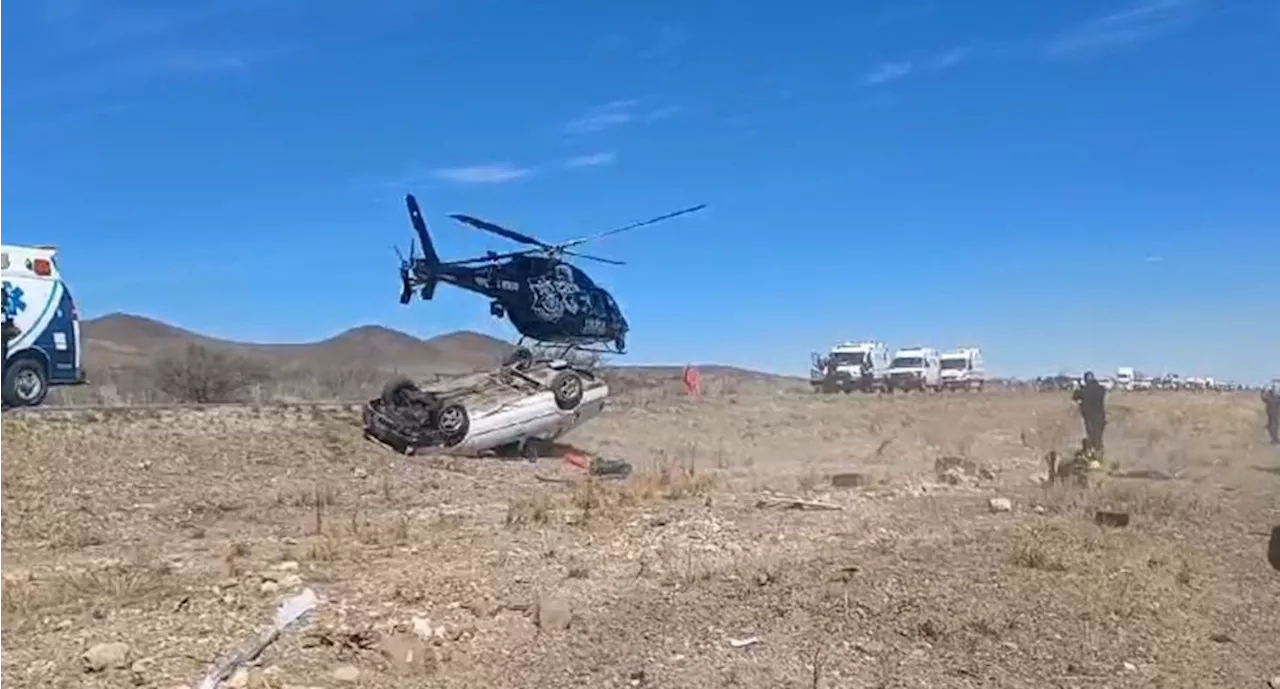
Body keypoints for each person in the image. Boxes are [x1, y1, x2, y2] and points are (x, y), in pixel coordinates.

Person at [1071, 371, 1108, 452]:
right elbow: (1098, 391)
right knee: (1098, 438)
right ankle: (1099, 455)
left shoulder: (1084, 390)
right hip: (1101, 417)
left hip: (1090, 418)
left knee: (1092, 437)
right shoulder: (1101, 389)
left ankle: (1093, 457)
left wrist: (1077, 387)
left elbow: (1075, 397)